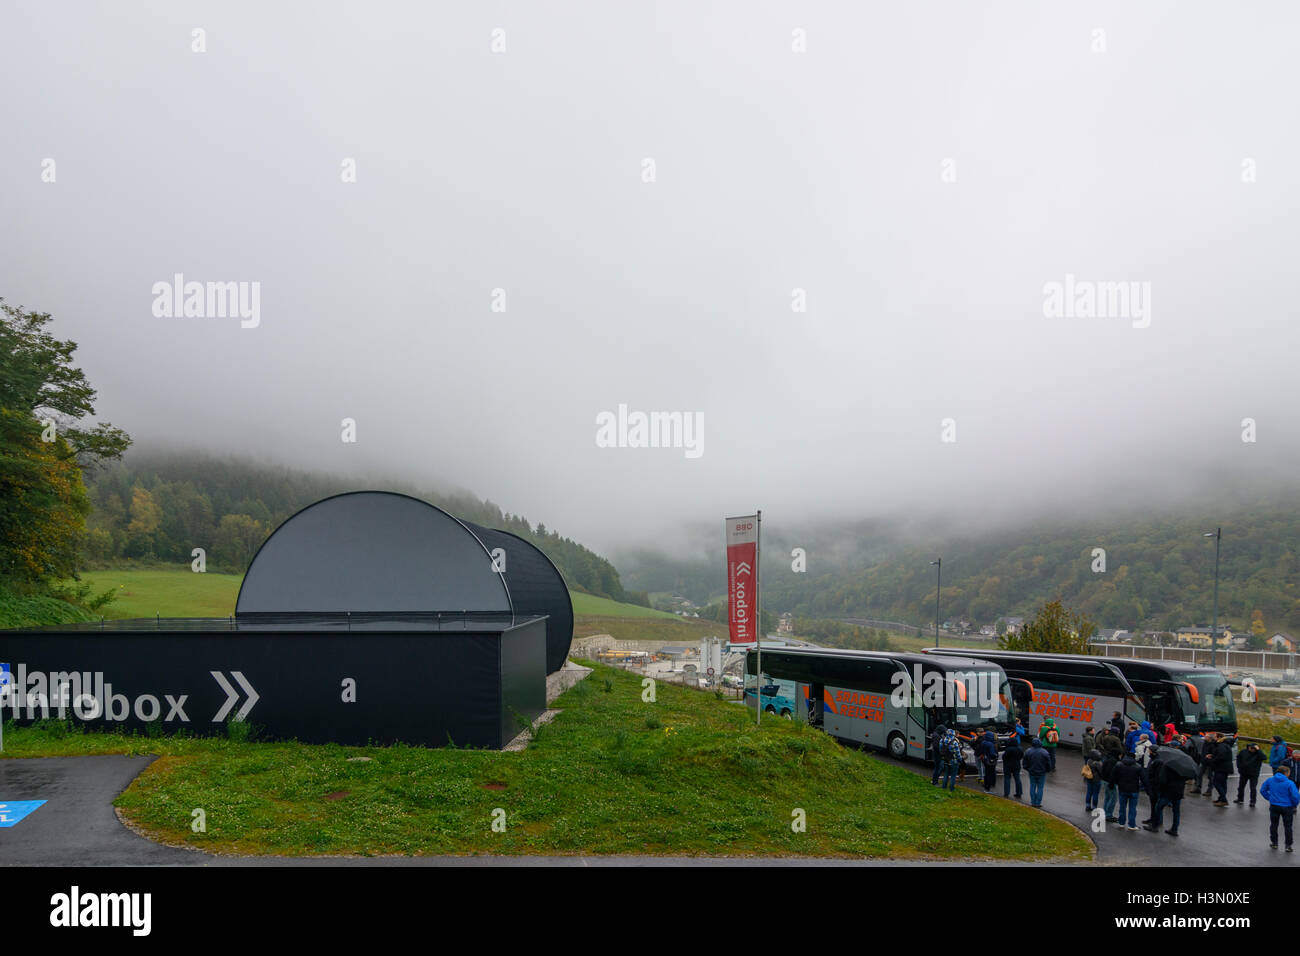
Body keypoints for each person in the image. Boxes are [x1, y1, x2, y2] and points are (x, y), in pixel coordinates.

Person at [1145, 741, 1189, 837]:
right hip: (1178, 791)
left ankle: (1155, 825)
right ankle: (1174, 829)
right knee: (1176, 811)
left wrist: (1160, 788)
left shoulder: (1167, 765)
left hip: (1168, 791)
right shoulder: (1184, 767)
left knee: (1158, 807)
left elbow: (1163, 779)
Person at [1261, 764, 1300, 851]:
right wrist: (1294, 804)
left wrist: (1269, 798)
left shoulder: (1270, 780)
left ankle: (1274, 843)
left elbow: (1262, 790)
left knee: (1274, 825)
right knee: (1288, 826)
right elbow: (1295, 796)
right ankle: (1288, 846)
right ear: (1286, 773)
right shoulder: (1290, 783)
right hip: (1287, 806)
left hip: (1274, 806)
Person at [1113, 752, 1146, 831]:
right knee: (1132, 808)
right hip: (1134, 790)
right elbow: (1144, 779)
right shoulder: (1138, 767)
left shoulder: (1119, 765)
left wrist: (1115, 783)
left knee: (1122, 807)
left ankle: (1121, 823)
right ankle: (1131, 824)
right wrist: (1148, 789)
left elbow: (1114, 775)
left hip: (1122, 788)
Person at [1024, 736, 1052, 807]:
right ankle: (1038, 803)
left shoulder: (1028, 751)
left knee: (1032, 786)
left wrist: (1028, 769)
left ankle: (1033, 802)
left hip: (1032, 772)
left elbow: (1025, 763)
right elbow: (1049, 763)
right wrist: (1047, 770)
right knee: (1040, 788)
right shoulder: (1045, 752)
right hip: (1042, 772)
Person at [1208, 733, 1234, 806]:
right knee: (1223, 784)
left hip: (1221, 767)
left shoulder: (1221, 745)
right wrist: (1213, 755)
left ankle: (1224, 800)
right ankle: (1221, 799)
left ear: (1219, 737)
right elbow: (1221, 755)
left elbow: (1221, 756)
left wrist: (1212, 759)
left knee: (1217, 783)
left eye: (1215, 737)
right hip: (1225, 767)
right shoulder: (1225, 744)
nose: (1214, 738)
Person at [1236, 742, 1264, 807]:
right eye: (1251, 748)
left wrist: (1258, 750)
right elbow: (1238, 759)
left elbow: (1264, 757)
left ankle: (1253, 801)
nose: (1252, 750)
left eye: (1254, 749)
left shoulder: (1258, 754)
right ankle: (1240, 798)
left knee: (1253, 788)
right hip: (1244, 773)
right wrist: (1239, 767)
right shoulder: (1243, 752)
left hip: (1254, 774)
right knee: (1241, 787)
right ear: (1248, 747)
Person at [1100, 748, 1121, 822]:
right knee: (1113, 798)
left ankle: (1105, 813)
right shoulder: (1114, 761)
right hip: (1110, 782)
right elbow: (1112, 773)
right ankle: (1108, 815)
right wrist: (1112, 782)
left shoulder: (1107, 759)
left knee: (1107, 797)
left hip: (1105, 780)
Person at [939, 727, 962, 792]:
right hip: (954, 760)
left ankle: (944, 786)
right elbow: (957, 753)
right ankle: (951, 789)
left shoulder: (942, 740)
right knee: (953, 775)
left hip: (945, 759)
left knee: (946, 774)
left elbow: (940, 750)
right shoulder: (955, 742)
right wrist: (960, 759)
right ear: (953, 734)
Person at [1002, 732, 1024, 799]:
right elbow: (1021, 756)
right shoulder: (1019, 748)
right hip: (1016, 764)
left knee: (1007, 778)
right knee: (1017, 779)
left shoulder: (1008, 749)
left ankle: (1006, 793)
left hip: (1007, 765)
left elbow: (1004, 757)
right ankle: (1019, 793)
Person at [1083, 748, 1104, 812]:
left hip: (1089, 778)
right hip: (1097, 780)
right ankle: (1094, 807)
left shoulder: (1089, 761)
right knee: (1095, 794)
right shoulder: (1097, 763)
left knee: (1089, 792)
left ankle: (1087, 805)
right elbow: (1101, 771)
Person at [979, 729, 999, 793]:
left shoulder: (983, 742)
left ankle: (985, 786)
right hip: (990, 760)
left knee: (986, 773)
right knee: (990, 774)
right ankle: (987, 788)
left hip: (984, 759)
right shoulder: (990, 744)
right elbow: (992, 754)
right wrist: (996, 756)